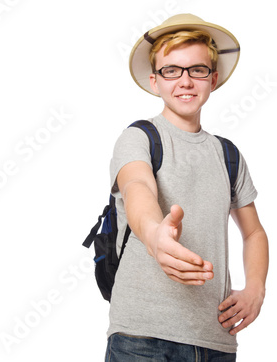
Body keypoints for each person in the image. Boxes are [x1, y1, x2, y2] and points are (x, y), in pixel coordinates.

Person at [105, 14, 268, 360]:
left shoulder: (228, 154)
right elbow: (137, 188)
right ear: (154, 81)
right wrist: (154, 235)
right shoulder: (139, 138)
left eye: (197, 70)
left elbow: (254, 233)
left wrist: (255, 288)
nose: (186, 81)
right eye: (172, 70)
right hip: (141, 337)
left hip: (215, 340)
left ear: (213, 78)